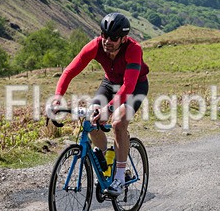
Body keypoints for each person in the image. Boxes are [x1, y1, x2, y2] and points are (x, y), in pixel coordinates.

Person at [50, 12, 149, 197]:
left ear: (124, 38)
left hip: (134, 87)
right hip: (110, 84)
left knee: (119, 123)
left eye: (113, 37)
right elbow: (69, 71)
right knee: (92, 118)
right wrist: (57, 97)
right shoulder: (96, 45)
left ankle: (119, 177)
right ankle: (105, 162)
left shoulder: (133, 49)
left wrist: (109, 109)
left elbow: (128, 86)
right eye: (104, 35)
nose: (107, 41)